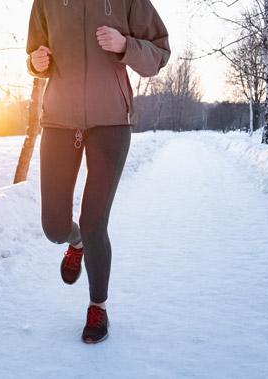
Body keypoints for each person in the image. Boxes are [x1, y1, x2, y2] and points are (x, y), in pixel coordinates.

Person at [26, 0, 170, 343]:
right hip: (60, 122)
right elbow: (34, 53)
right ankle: (74, 242)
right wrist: (34, 62)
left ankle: (97, 306)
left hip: (111, 123)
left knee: (94, 223)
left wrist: (125, 45)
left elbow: (159, 53)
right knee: (53, 226)